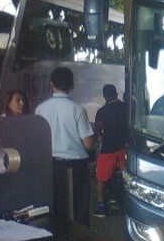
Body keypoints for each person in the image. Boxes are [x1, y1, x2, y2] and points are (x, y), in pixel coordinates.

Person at [36, 67, 95, 226]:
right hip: (75, 167)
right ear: (71, 86)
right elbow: (88, 144)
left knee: (53, 208)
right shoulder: (77, 109)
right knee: (78, 210)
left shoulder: (40, 109)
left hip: (49, 166)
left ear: (51, 84)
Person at [93, 84, 129, 218]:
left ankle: (101, 207)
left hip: (108, 148)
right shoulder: (126, 107)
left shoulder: (101, 112)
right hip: (124, 147)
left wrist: (100, 137)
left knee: (100, 178)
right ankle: (130, 204)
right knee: (128, 177)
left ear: (104, 96)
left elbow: (98, 131)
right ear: (116, 93)